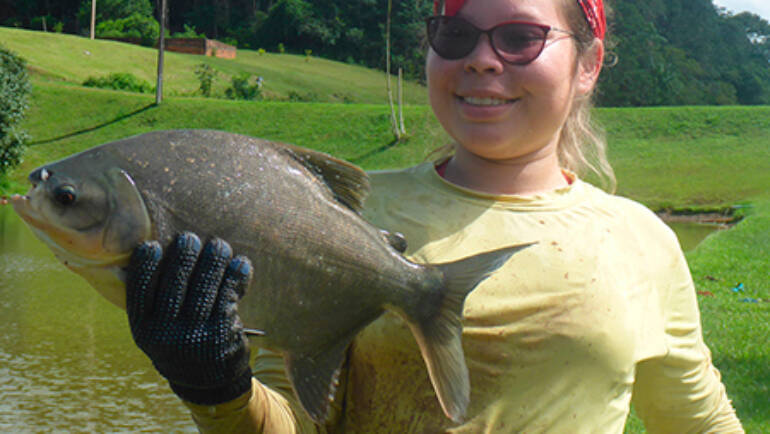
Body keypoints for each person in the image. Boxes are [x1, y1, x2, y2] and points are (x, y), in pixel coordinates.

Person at [124, 0, 745, 432]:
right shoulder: (332, 209)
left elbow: (697, 422)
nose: (481, 59)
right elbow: (290, 421)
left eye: (520, 37)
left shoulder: (641, 240)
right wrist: (215, 386)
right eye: (455, 36)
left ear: (588, 64)